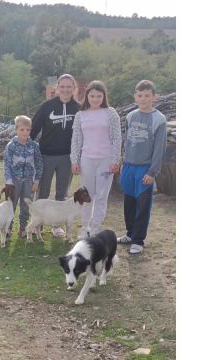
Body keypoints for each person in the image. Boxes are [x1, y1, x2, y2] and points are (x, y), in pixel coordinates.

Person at [117, 80, 167, 255]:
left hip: (145, 169)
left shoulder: (159, 119)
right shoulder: (130, 116)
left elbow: (159, 148)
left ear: (154, 97)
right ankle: (130, 234)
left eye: (147, 95)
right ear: (135, 97)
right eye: (140, 95)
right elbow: (127, 142)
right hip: (129, 166)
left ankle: (138, 240)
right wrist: (123, 162)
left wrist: (152, 172)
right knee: (129, 203)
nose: (144, 99)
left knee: (143, 204)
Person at [70, 80, 122, 240]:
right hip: (87, 160)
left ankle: (94, 228)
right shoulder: (80, 115)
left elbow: (116, 138)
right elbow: (76, 139)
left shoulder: (111, 113)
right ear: (87, 96)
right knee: (88, 195)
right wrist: (74, 160)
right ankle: (85, 228)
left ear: (104, 96)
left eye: (99, 96)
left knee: (101, 195)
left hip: (106, 160)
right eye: (92, 96)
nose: (95, 99)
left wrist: (115, 159)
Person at [30, 74, 80, 238]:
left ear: (74, 88)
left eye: (69, 86)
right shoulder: (47, 106)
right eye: (62, 86)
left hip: (67, 157)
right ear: (57, 88)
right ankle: (38, 223)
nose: (65, 89)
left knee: (62, 193)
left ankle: (57, 225)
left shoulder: (78, 108)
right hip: (46, 155)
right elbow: (34, 128)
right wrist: (25, 146)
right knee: (42, 192)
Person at [4, 115, 43, 238]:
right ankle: (7, 228)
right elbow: (7, 165)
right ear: (16, 130)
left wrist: (36, 181)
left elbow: (39, 164)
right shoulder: (11, 146)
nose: (25, 132)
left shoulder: (34, 146)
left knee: (26, 205)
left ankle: (23, 228)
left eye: (28, 130)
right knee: (12, 204)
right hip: (14, 180)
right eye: (22, 130)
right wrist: (9, 182)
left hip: (29, 180)